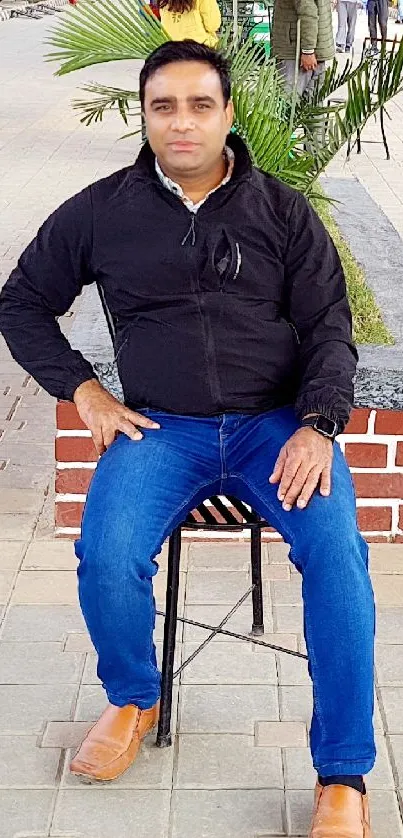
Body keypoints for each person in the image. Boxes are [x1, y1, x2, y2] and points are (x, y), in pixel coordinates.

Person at [0, 40, 375, 838]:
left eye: (199, 105)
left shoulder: (281, 211)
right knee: (106, 550)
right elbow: (22, 302)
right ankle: (135, 696)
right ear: (143, 115)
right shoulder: (102, 212)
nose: (181, 123)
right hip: (161, 429)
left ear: (227, 113)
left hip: (275, 428)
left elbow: (328, 329)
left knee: (339, 556)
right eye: (163, 106)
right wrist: (85, 391)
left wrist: (318, 426)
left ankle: (342, 772)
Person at [271, 0, 335, 96]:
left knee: (288, 103)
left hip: (296, 53)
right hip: (313, 48)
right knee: (311, 104)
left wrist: (308, 51)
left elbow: (308, 12)